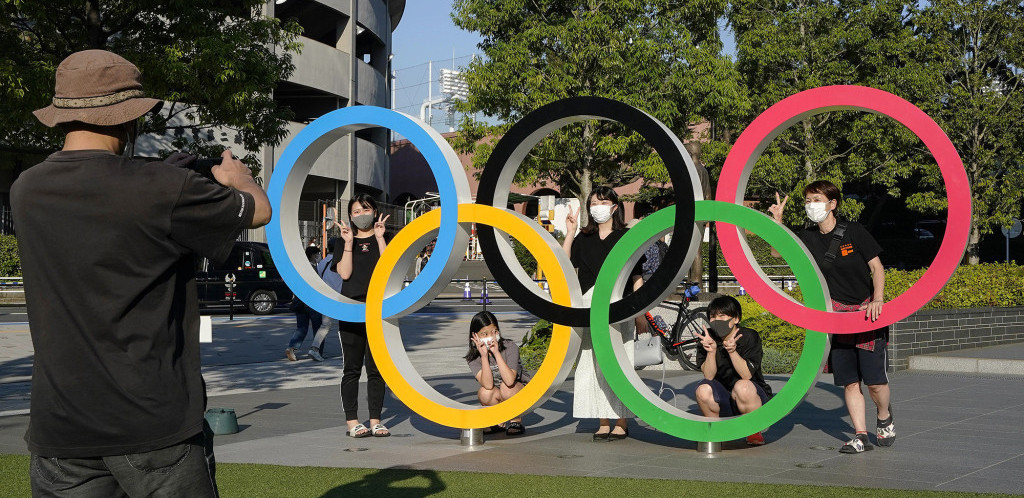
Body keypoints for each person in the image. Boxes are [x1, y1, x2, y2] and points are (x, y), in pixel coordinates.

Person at [12, 49, 271, 496]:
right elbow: (258, 212)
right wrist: (238, 177)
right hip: (153, 420)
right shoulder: (164, 188)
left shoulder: (25, 189)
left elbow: (104, 218)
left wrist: (160, 180)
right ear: (128, 119)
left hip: (60, 423)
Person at [769, 180, 893, 454]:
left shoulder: (854, 231)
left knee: (874, 383)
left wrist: (878, 298)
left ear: (832, 203)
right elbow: (778, 251)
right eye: (807, 201)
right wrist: (777, 222)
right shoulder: (808, 237)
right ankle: (861, 435)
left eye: (816, 199)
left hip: (864, 314)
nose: (810, 205)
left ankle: (884, 415)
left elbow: (877, 267)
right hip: (835, 318)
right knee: (849, 380)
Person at [562, 186, 646, 441]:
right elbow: (564, 266)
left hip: (619, 306)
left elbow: (637, 277)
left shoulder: (626, 237)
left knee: (620, 362)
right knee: (592, 364)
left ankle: (621, 420)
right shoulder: (583, 239)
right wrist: (569, 232)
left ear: (614, 206)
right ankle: (602, 419)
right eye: (593, 202)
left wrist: (641, 312)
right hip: (590, 306)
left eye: (603, 201)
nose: (597, 207)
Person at [332, 194, 392, 438]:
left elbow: (390, 268)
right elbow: (344, 274)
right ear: (350, 216)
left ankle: (376, 420)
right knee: (352, 368)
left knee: (377, 368)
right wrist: (348, 243)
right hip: (351, 309)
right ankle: (353, 421)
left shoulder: (385, 237)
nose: (361, 215)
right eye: (356, 211)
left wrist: (379, 238)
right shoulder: (341, 241)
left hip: (379, 309)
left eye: (365, 209)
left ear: (375, 211)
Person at [693, 296, 772, 446]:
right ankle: (715, 430)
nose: (717, 320)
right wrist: (711, 352)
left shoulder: (748, 336)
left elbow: (746, 375)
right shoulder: (707, 338)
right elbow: (709, 376)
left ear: (736, 319)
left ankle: (753, 430)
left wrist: (732, 351)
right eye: (713, 317)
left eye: (722, 316)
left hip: (752, 397)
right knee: (702, 389)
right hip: (724, 399)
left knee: (742, 386)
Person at [464, 311, 530, 436]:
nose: (490, 336)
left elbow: (510, 380)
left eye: (494, 332)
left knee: (506, 387)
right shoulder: (473, 358)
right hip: (496, 393)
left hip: (518, 391)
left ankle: (515, 421)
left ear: (498, 331)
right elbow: (488, 385)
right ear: (475, 335)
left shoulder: (510, 347)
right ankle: (495, 421)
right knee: (484, 392)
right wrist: (484, 356)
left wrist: (496, 353)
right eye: (484, 334)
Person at [285, 245, 324, 361]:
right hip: (312, 302)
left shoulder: (300, 267)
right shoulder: (313, 268)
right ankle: (317, 351)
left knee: (301, 328)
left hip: (300, 302)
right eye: (318, 254)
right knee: (319, 328)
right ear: (313, 255)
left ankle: (292, 347)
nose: (319, 257)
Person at [307, 237, 344, 362]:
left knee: (325, 325)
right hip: (340, 298)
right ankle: (349, 351)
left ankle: (314, 348)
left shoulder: (322, 263)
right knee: (347, 326)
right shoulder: (341, 262)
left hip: (326, 297)